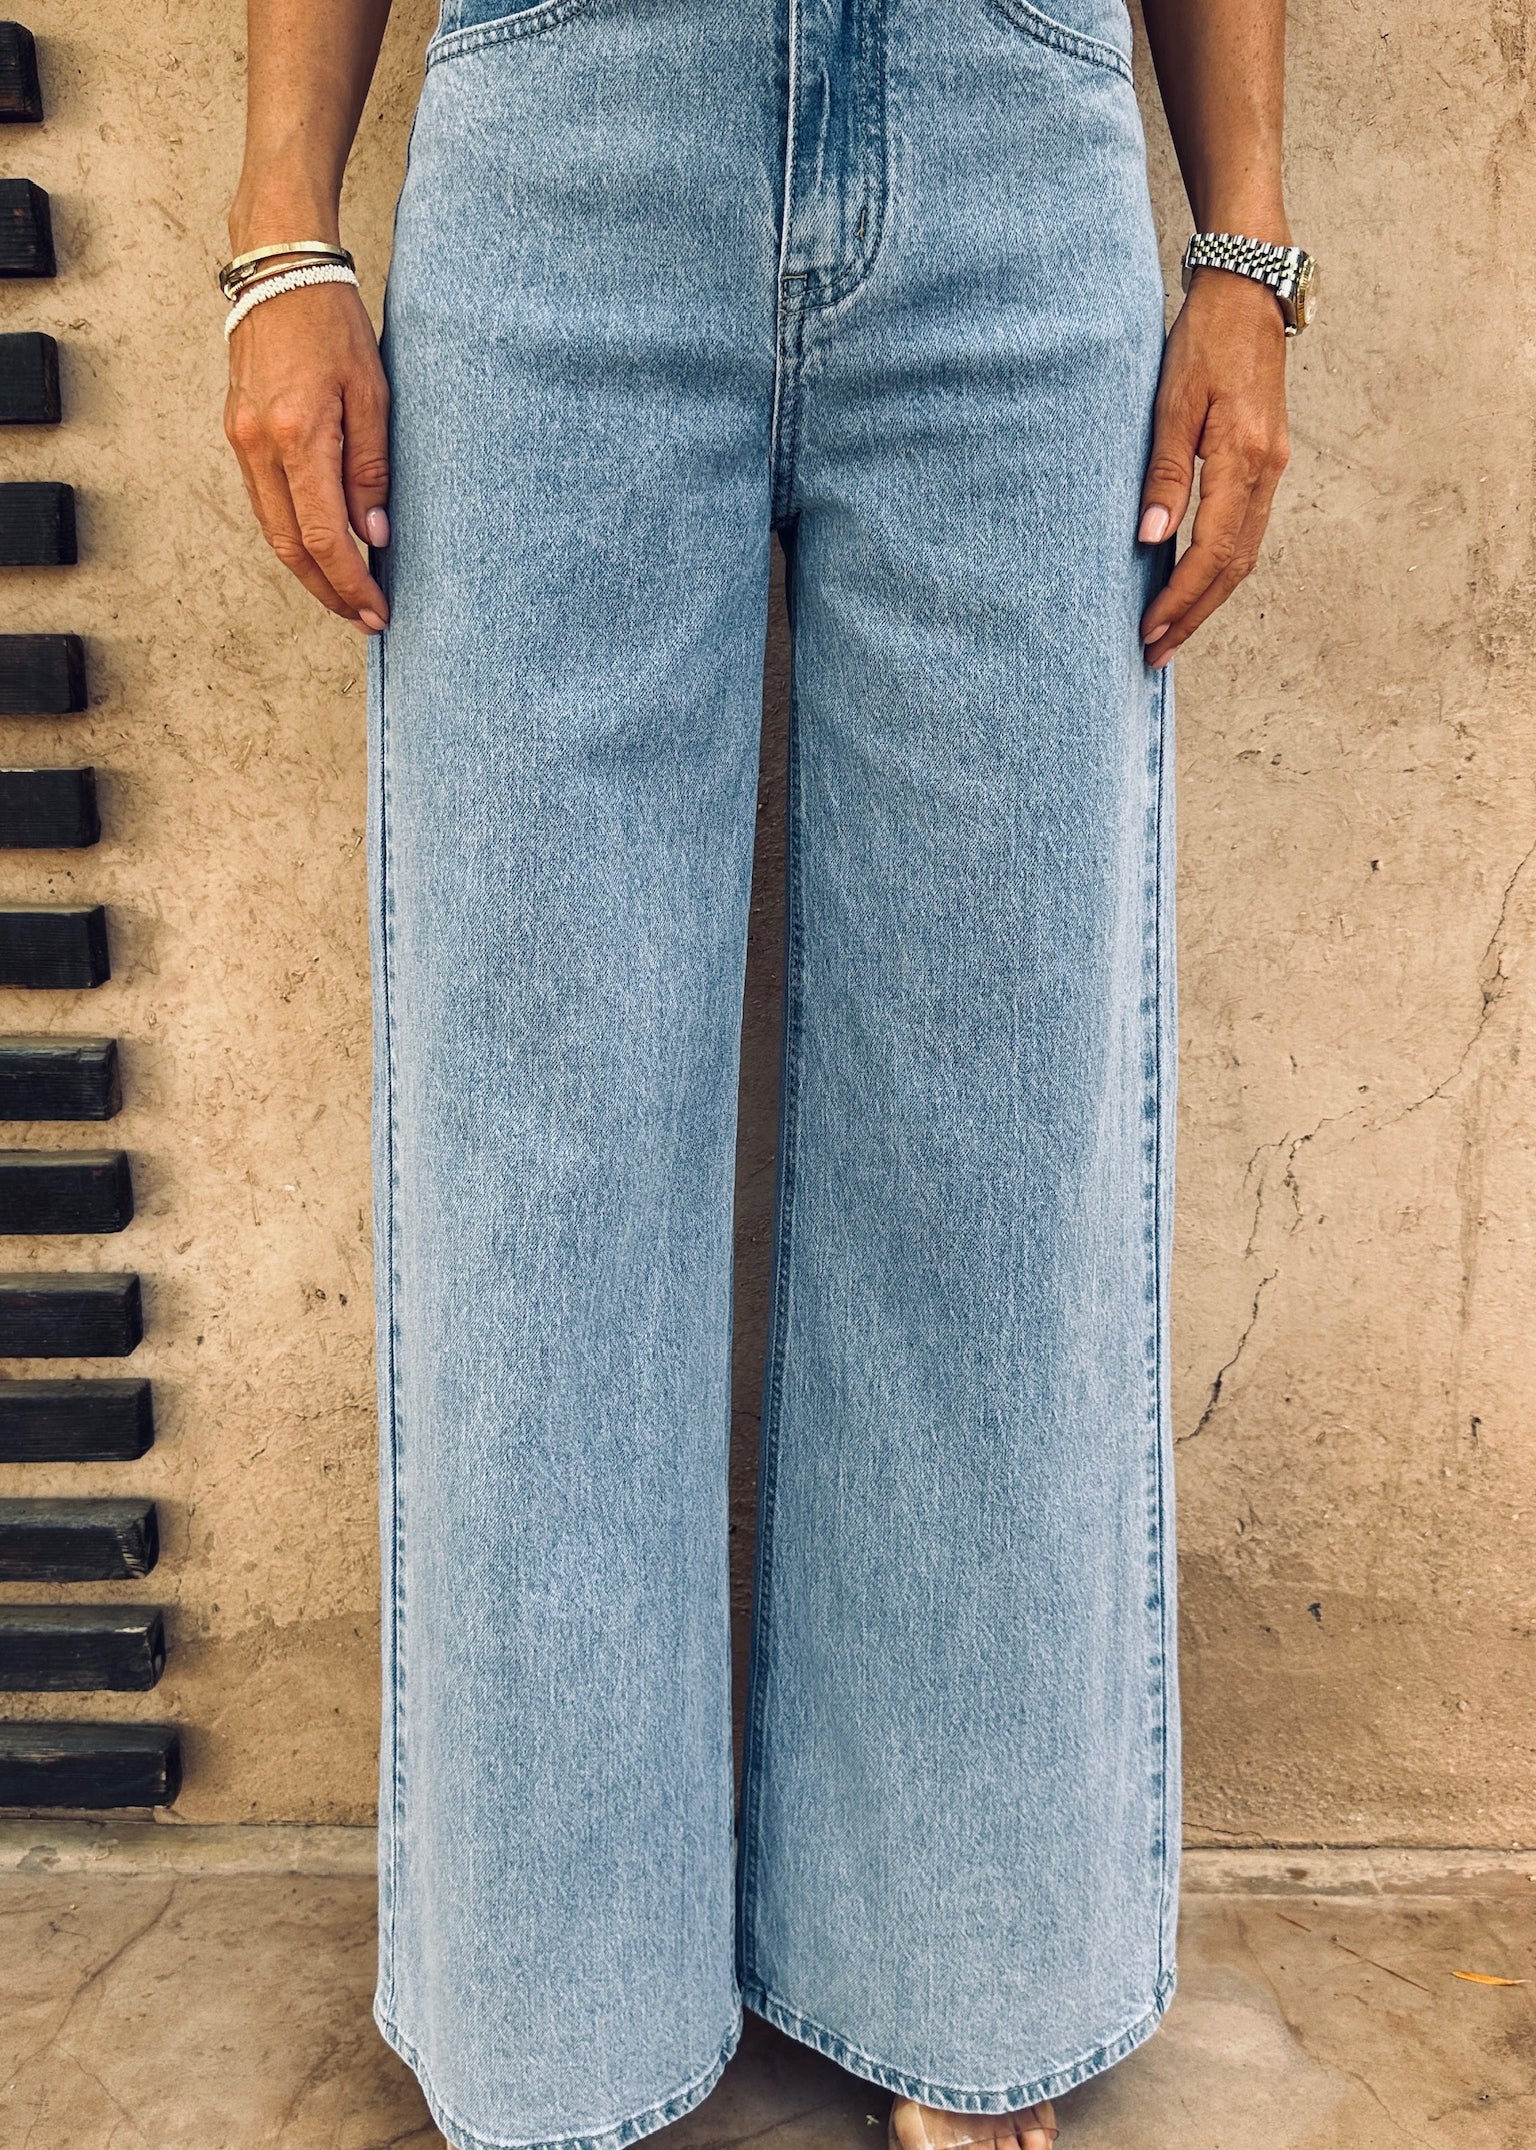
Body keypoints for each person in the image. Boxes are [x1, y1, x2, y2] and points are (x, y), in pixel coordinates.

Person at [224, 3, 1310, 2146]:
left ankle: (969, 1975)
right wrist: (283, 232)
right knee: (540, 1160)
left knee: (996, 1144)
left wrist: (1245, 245)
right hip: (571, 128)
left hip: (1014, 137)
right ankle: (555, 2025)